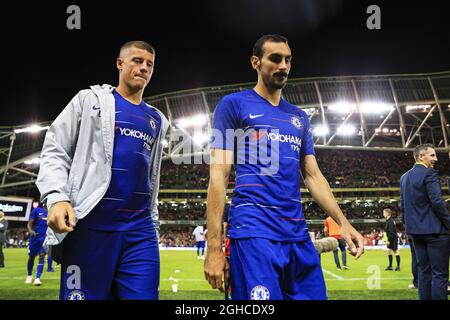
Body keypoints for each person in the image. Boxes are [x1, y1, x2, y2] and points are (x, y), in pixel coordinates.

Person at [204, 34, 364, 300]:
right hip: (253, 233)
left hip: (296, 233)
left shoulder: (299, 117)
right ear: (255, 62)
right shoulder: (232, 105)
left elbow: (313, 176)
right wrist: (213, 247)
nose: (283, 66)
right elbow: (218, 176)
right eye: (275, 59)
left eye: (288, 60)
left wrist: (343, 222)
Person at [36, 40, 169, 300]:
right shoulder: (88, 100)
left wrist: (153, 221)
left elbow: (151, 177)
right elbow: (56, 147)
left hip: (140, 232)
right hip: (90, 228)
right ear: (120, 63)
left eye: (149, 64)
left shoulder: (157, 119)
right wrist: (56, 196)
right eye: (137, 61)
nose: (144, 68)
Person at [400, 144, 450, 300]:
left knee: (424, 272)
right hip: (435, 232)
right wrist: (448, 223)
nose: (435, 159)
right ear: (421, 157)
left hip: (415, 232)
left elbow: (403, 206)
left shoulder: (404, 177)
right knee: (440, 274)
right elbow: (436, 201)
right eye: (432, 155)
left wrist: (407, 228)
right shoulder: (429, 174)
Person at [25, 203, 53, 285]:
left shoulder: (52, 212)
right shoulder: (36, 210)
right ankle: (29, 275)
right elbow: (30, 223)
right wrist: (30, 231)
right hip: (35, 238)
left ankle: (37, 278)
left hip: (45, 239)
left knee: (42, 257)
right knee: (31, 257)